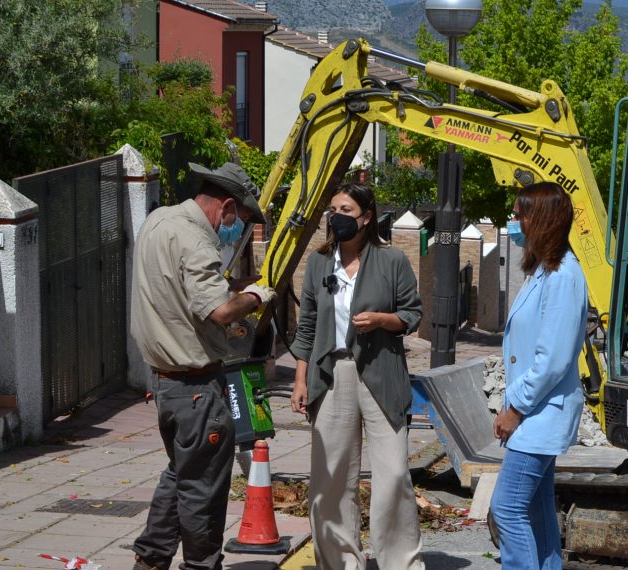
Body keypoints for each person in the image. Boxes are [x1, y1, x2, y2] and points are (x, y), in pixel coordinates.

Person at [129, 161, 276, 570]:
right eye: (240, 220)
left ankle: (151, 559)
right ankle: (201, 564)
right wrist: (256, 296)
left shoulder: (159, 220)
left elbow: (179, 291)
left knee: (178, 476)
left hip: (166, 385)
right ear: (226, 207)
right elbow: (221, 312)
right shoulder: (196, 240)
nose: (236, 229)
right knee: (203, 490)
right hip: (197, 389)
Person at [288, 182, 424, 570]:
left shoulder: (392, 259)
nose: (337, 217)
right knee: (331, 479)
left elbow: (412, 314)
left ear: (366, 217)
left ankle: (401, 562)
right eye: (333, 209)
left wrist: (384, 320)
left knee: (394, 472)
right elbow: (308, 326)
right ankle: (341, 562)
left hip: (382, 370)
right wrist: (301, 379)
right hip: (332, 373)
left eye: (346, 210)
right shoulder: (318, 263)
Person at [490, 181, 588, 569]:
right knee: (536, 511)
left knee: (507, 509)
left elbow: (553, 360)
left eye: (521, 215)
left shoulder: (563, 276)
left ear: (542, 219)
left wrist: (515, 407)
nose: (515, 222)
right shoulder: (545, 271)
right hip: (538, 412)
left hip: (541, 411)